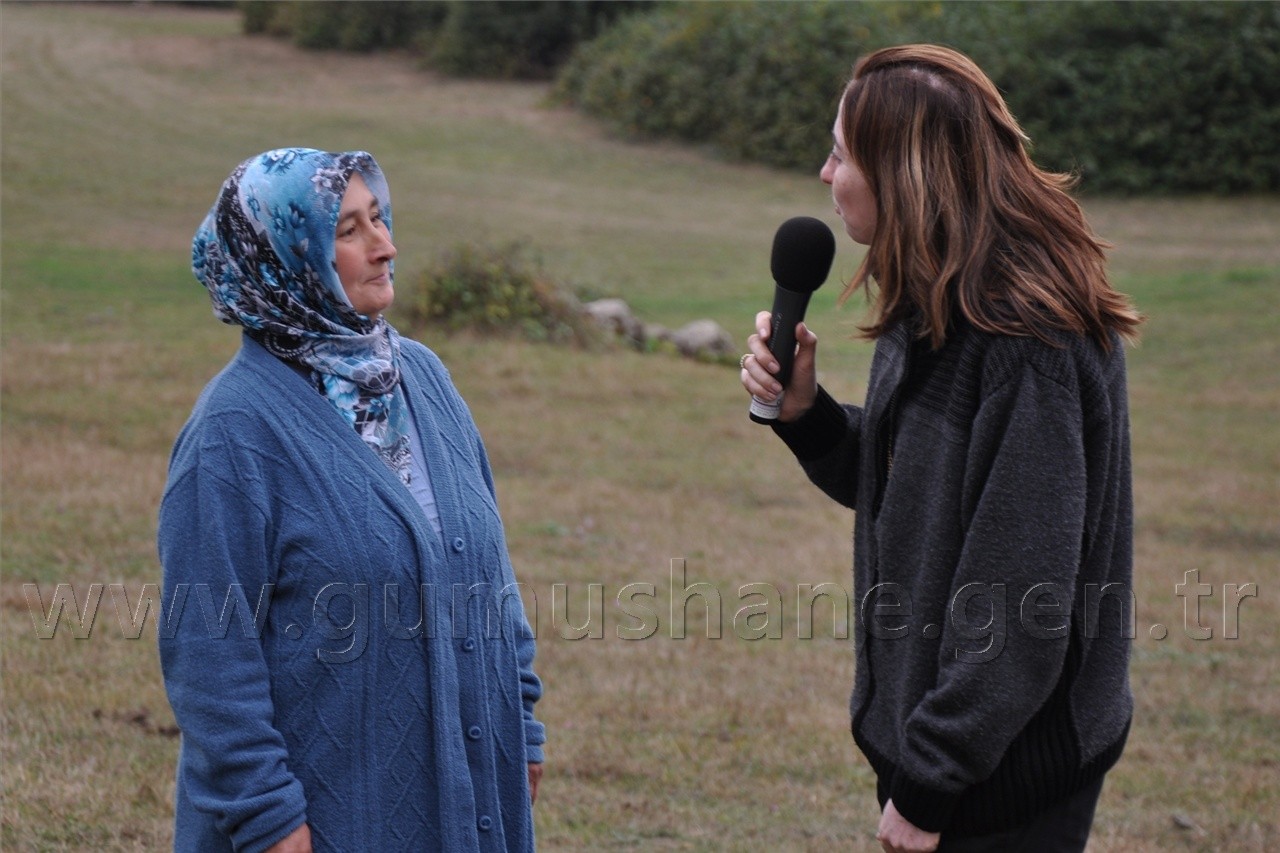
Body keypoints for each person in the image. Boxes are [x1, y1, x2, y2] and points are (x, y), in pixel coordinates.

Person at [741, 45, 1142, 853]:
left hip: (1004, 775)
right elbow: (916, 493)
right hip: (961, 755)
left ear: (904, 172)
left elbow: (1020, 601)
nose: (826, 173)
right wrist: (809, 415)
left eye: (842, 153)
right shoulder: (935, 301)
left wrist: (929, 780)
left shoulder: (1028, 344)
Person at [159, 148, 546, 853]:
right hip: (323, 822)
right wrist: (268, 817)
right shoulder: (232, 434)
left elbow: (490, 571)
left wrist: (520, 720)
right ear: (287, 256)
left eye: (380, 219)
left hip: (469, 798)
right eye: (349, 230)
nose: (385, 245)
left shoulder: (423, 378)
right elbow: (209, 654)